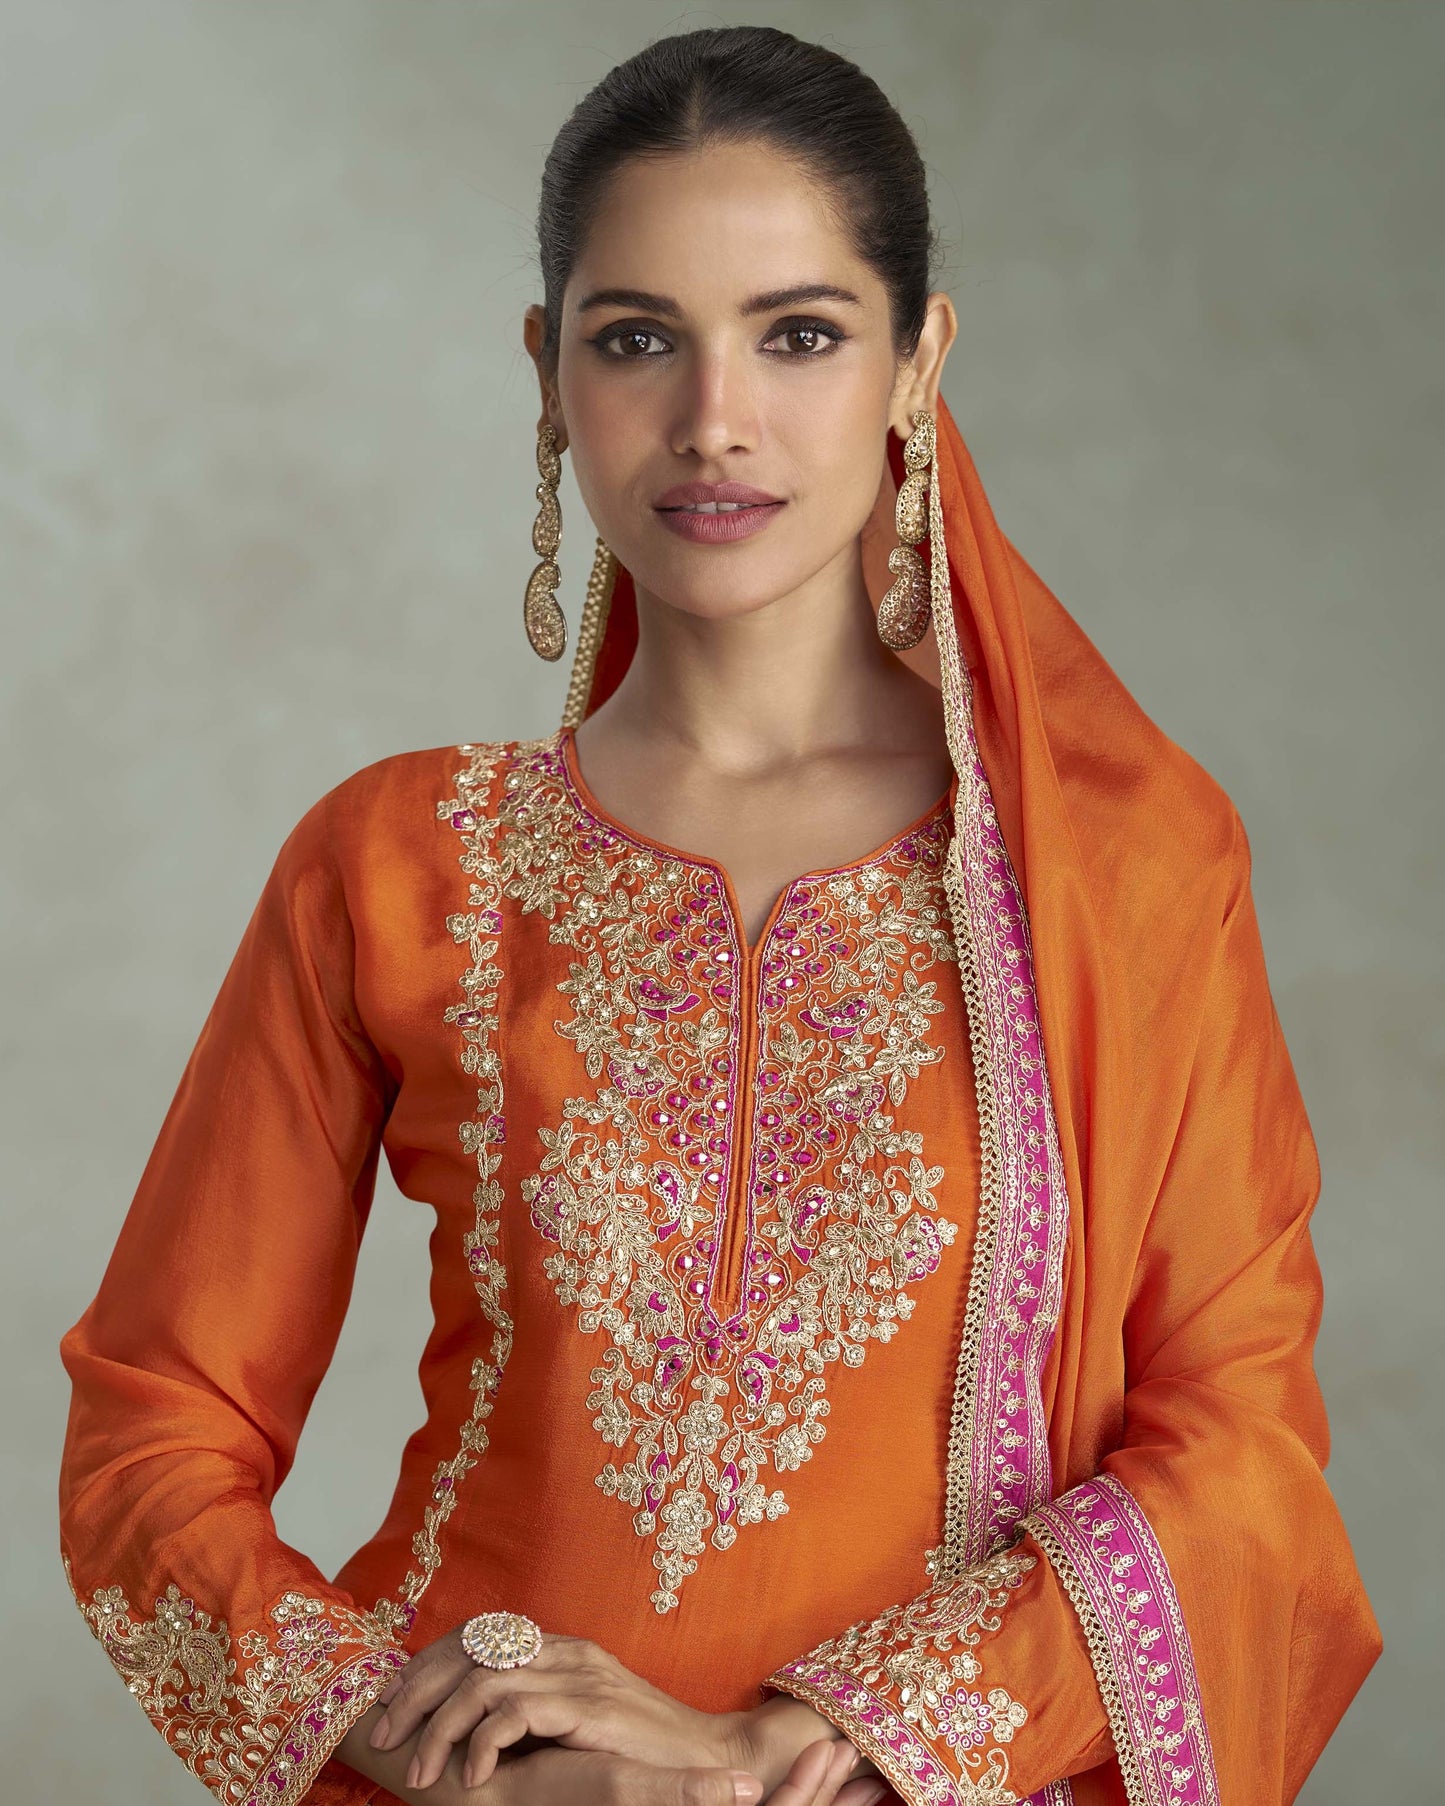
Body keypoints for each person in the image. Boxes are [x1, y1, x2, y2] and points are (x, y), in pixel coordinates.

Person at [57, 25, 1381, 1806]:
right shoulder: (397, 861)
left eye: (800, 334)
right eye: (633, 339)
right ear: (545, 372)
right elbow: (151, 1435)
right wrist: (440, 1746)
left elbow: (1242, 1455)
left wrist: (788, 1747)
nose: (713, 420)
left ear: (919, 360)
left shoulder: (1120, 868)